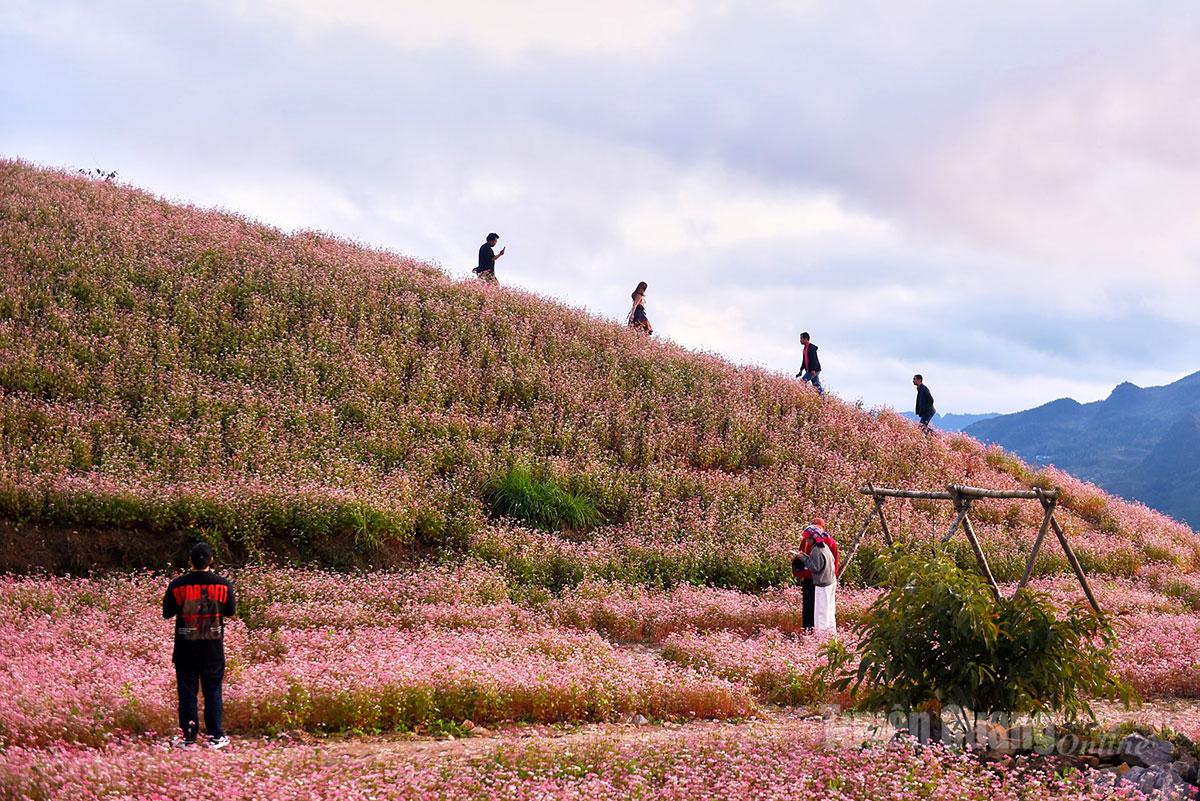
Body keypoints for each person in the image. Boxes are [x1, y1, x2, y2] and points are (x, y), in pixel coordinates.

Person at [163, 542, 236, 749]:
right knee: (213, 691)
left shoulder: (177, 585)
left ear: (190, 560)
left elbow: (167, 613)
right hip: (213, 648)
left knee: (187, 693)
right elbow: (230, 611)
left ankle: (188, 738)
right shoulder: (223, 585)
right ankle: (216, 736)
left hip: (186, 649)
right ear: (211, 560)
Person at [789, 519, 839, 631]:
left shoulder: (821, 546)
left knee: (819, 611)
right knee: (825, 610)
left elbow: (815, 567)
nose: (807, 540)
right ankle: (821, 633)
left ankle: (817, 635)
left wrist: (802, 562)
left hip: (819, 581)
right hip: (825, 580)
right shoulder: (824, 542)